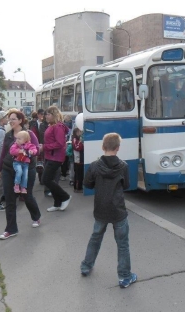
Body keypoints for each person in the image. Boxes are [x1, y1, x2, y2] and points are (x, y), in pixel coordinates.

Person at [80, 133, 136, 288]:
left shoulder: (94, 165)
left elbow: (88, 184)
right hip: (118, 210)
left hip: (100, 209)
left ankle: (86, 266)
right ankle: (124, 277)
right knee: (122, 244)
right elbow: (126, 186)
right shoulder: (123, 166)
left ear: (103, 147)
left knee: (95, 238)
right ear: (118, 148)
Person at [0, 110, 41, 239]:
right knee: (10, 199)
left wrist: (28, 152)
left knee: (26, 195)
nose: (11, 121)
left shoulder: (29, 134)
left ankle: (36, 216)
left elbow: (37, 150)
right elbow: (3, 153)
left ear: (20, 120)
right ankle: (11, 229)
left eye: (13, 119)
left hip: (26, 170)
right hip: (8, 170)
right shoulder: (8, 135)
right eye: (9, 119)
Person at [41, 106, 72, 212]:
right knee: (50, 180)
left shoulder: (58, 127)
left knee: (46, 180)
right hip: (51, 156)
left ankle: (65, 196)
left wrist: (44, 147)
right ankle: (57, 203)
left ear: (53, 115)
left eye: (48, 114)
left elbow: (59, 143)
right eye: (46, 114)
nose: (46, 116)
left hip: (55, 157)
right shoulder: (53, 126)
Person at [72, 127, 84, 193]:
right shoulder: (74, 139)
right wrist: (81, 143)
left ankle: (80, 187)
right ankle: (77, 188)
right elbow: (77, 147)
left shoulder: (78, 139)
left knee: (81, 174)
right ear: (76, 132)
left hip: (81, 159)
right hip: (77, 159)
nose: (80, 133)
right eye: (79, 132)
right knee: (78, 174)